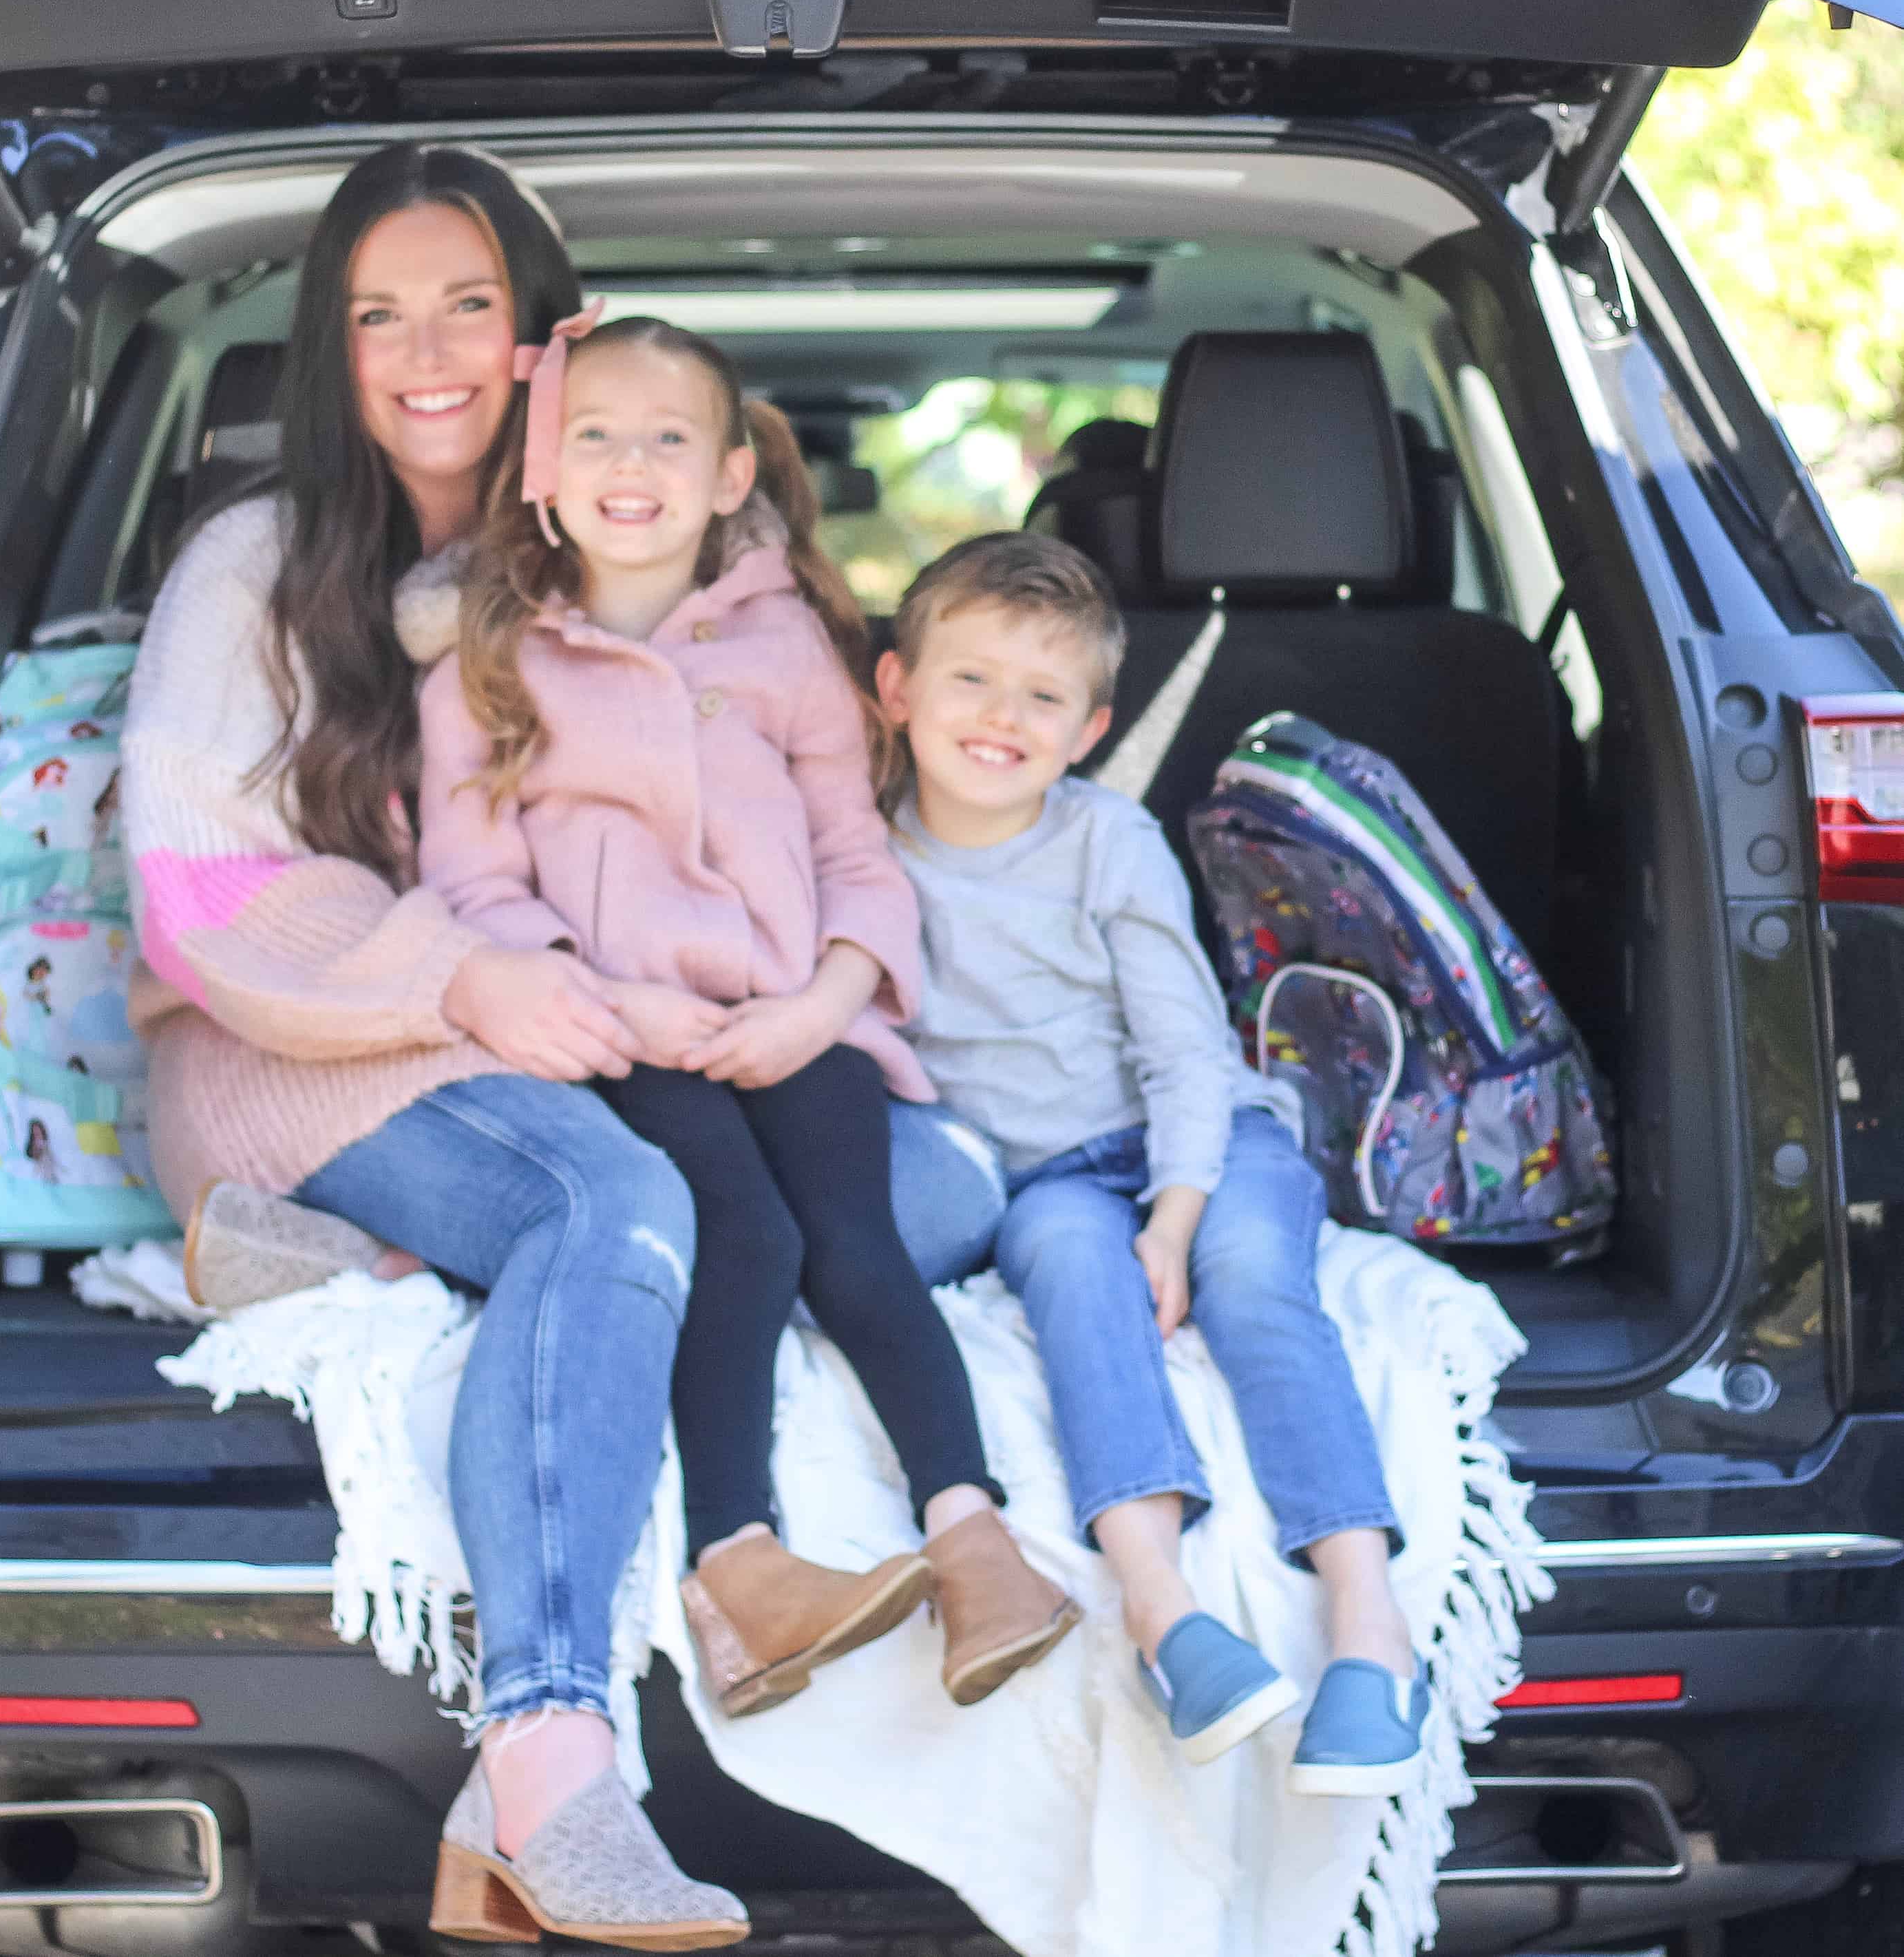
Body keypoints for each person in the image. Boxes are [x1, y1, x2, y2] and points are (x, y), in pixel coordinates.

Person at [119, 145, 747, 1950]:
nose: (426, 352)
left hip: (557, 1026)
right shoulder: (253, 566)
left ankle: (334, 1262)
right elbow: (204, 899)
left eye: (468, 302)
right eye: (376, 312)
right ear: (330, 342)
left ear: (547, 331)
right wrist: (460, 980)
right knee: (605, 1206)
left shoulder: (633, 547)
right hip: (287, 1047)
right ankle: (548, 1746)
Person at [416, 318, 1080, 1719]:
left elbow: (858, 856)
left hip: (791, 1019)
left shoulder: (793, 652)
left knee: (856, 1235)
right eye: (594, 435)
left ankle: (976, 1541)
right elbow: (470, 889)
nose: (630, 465)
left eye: (668, 439)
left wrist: (829, 1000)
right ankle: (744, 1567)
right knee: (748, 1227)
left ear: (729, 480)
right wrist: (620, 1008)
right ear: (545, 469)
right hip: (616, 1038)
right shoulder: (485, 668)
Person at [875, 531, 1430, 1799]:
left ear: (1091, 725)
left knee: (1246, 1278)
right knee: (1074, 1279)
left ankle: (1368, 1627)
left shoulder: (1107, 840)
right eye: (970, 679)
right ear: (895, 687)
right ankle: (1168, 1617)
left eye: (1044, 696)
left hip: (1204, 1137)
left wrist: (1175, 1221)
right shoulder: (862, 854)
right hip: (1048, 1176)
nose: (1002, 717)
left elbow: (1186, 1052)